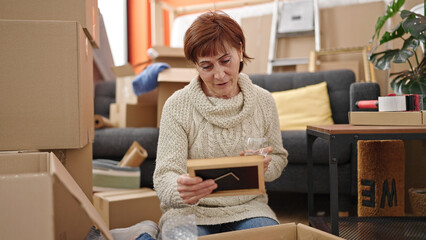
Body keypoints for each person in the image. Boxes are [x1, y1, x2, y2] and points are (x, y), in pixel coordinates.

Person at [153, 10, 288, 237]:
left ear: (240, 51)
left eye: (226, 61)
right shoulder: (177, 106)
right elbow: (164, 176)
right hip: (188, 210)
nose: (219, 74)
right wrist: (180, 187)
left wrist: (265, 166)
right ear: (196, 66)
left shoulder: (263, 101)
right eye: (207, 66)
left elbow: (279, 160)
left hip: (249, 209)